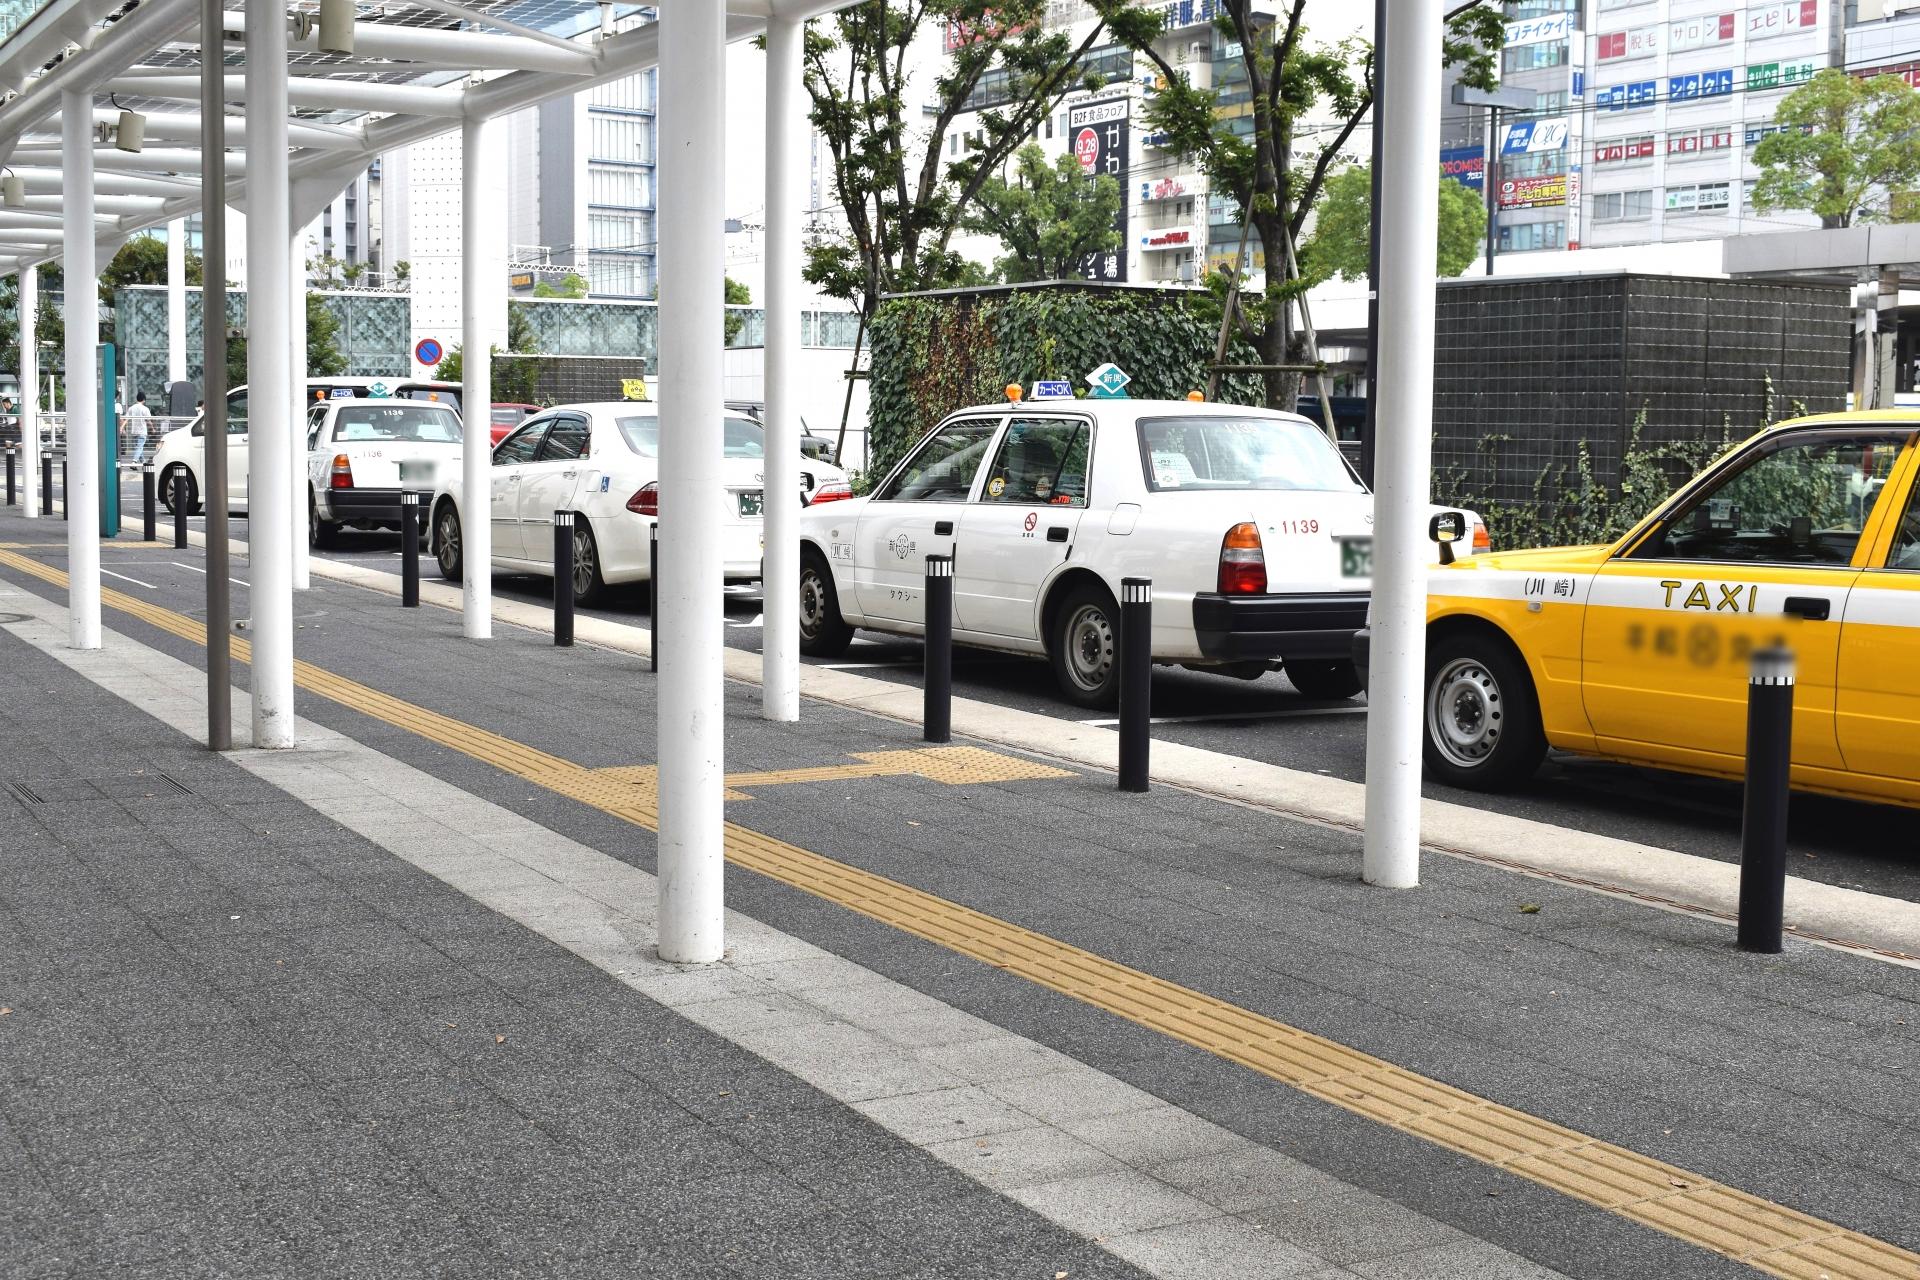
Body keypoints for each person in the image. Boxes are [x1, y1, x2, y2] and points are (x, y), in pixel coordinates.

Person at [127, 391, 152, 464]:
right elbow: (148, 420)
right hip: (142, 432)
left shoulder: (131, 408)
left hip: (134, 431)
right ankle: (134, 462)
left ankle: (143, 462)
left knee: (138, 448)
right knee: (139, 447)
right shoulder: (145, 409)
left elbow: (126, 417)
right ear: (144, 399)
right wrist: (152, 428)